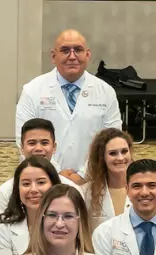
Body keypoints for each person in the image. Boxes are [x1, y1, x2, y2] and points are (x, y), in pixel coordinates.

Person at [15, 30, 122, 175]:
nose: (72, 56)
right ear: (53, 56)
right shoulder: (32, 90)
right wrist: (55, 174)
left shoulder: (105, 92)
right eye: (65, 50)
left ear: (87, 55)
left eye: (78, 50)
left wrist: (84, 175)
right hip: (46, 177)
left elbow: (113, 140)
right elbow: (24, 140)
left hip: (94, 178)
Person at [92, 158, 156, 255]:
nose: (144, 192)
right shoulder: (105, 233)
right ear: (127, 190)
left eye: (151, 185)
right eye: (137, 186)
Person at [0, 118, 83, 215]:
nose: (38, 148)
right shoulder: (6, 191)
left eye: (44, 143)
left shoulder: (72, 189)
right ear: (22, 148)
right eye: (32, 143)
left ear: (54, 147)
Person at [0, 156, 62, 255]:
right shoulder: (5, 229)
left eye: (41, 182)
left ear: (54, 185)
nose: (33, 190)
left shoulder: (68, 224)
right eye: (26, 184)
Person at [81, 128, 132, 221]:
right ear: (101, 157)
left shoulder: (144, 189)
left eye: (124, 151)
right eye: (113, 153)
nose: (120, 158)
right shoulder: (86, 193)